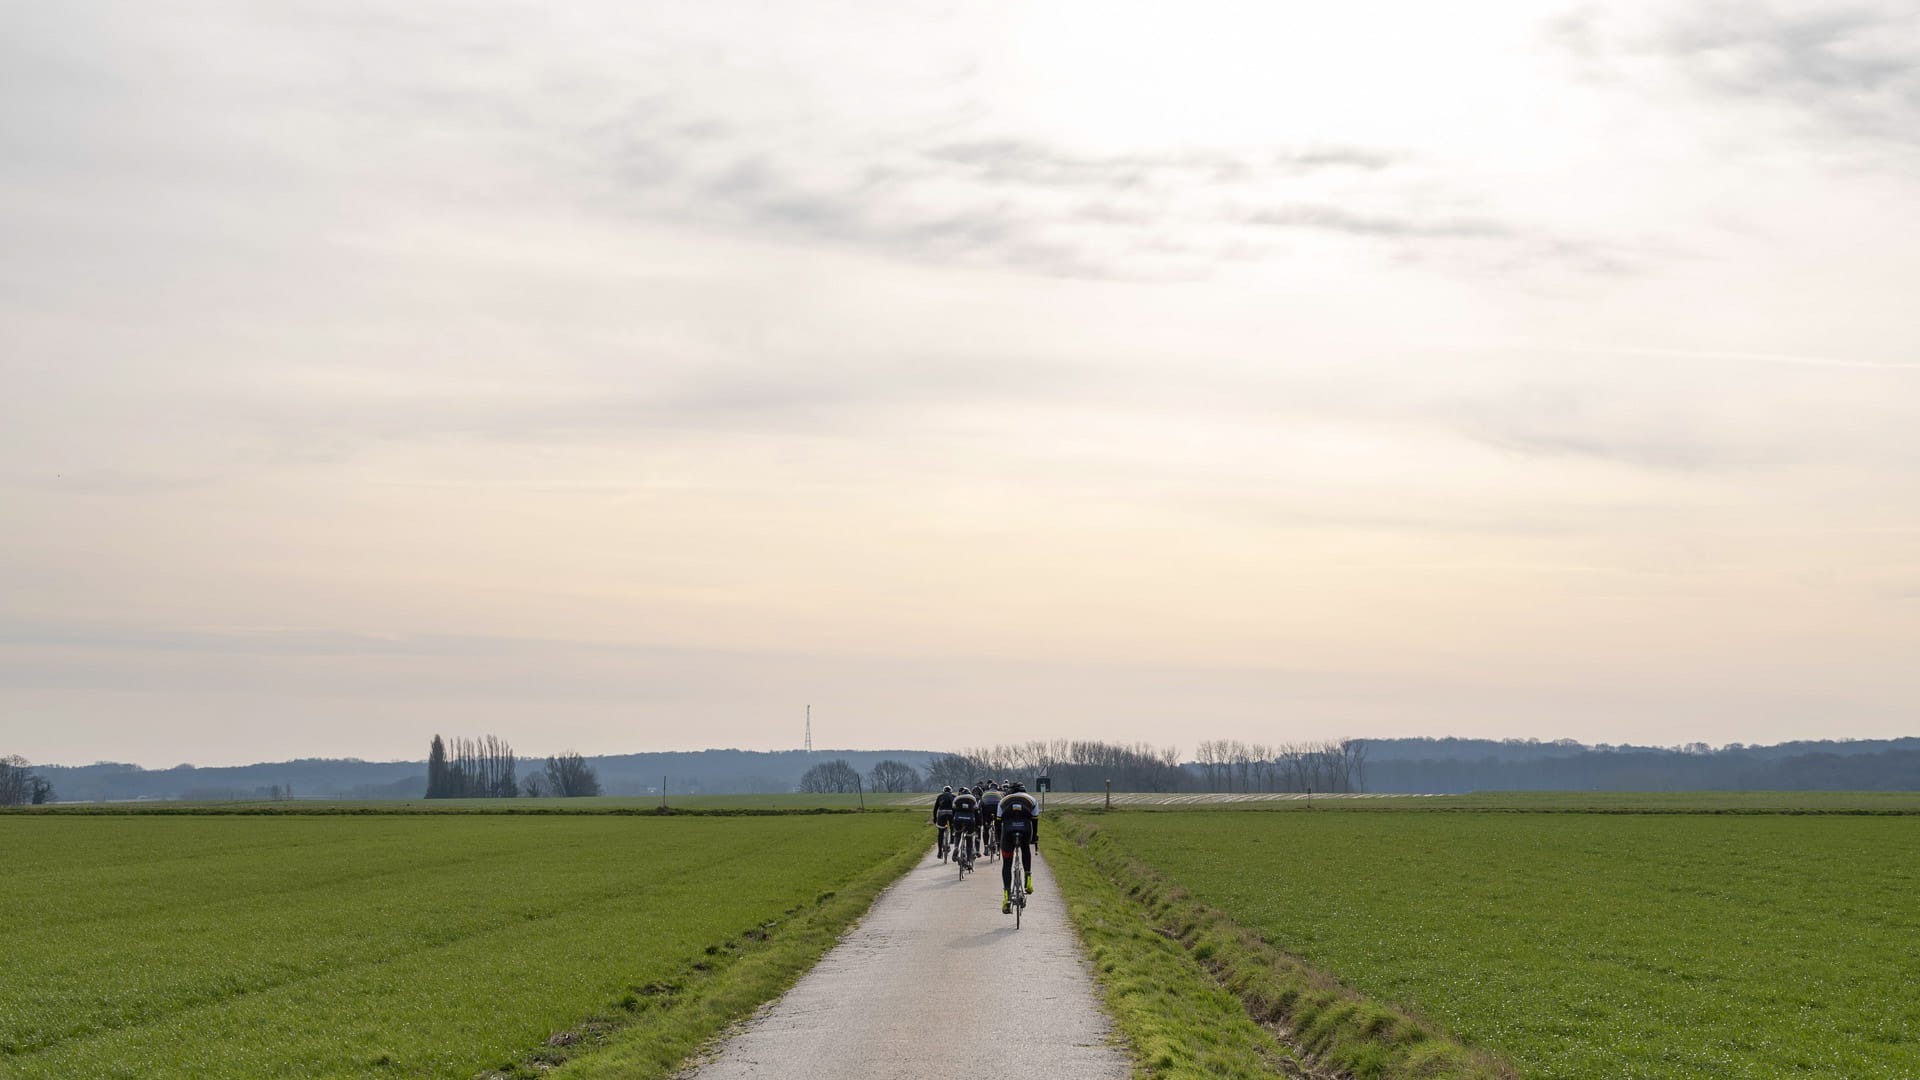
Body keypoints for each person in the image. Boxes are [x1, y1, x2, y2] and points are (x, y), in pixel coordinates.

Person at [997, 781, 1039, 913]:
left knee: (1007, 864)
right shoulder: (1032, 800)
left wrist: (999, 840)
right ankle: (1028, 879)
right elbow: (1035, 821)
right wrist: (1034, 838)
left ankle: (1006, 897)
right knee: (1025, 848)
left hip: (1008, 832)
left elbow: (998, 822)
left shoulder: (1003, 800)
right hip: (1025, 829)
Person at [951, 787, 980, 863]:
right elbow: (977, 813)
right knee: (969, 839)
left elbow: (953, 811)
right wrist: (978, 825)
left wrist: (952, 823)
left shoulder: (957, 798)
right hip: (970, 820)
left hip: (958, 818)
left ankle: (956, 847)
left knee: (958, 834)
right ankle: (967, 860)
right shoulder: (973, 799)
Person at [931, 786, 956, 860]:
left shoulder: (940, 796)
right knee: (952, 825)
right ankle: (952, 838)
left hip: (941, 814)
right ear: (951, 791)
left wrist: (935, 818)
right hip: (951, 813)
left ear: (943, 791)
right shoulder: (954, 796)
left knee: (940, 832)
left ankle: (939, 852)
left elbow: (935, 808)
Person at [977, 783, 1003, 854]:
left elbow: (980, 804)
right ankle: (998, 847)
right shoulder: (1000, 793)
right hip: (996, 808)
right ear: (997, 788)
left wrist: (981, 815)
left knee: (986, 829)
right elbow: (1003, 804)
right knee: (998, 827)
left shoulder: (985, 793)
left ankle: (985, 847)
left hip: (986, 808)